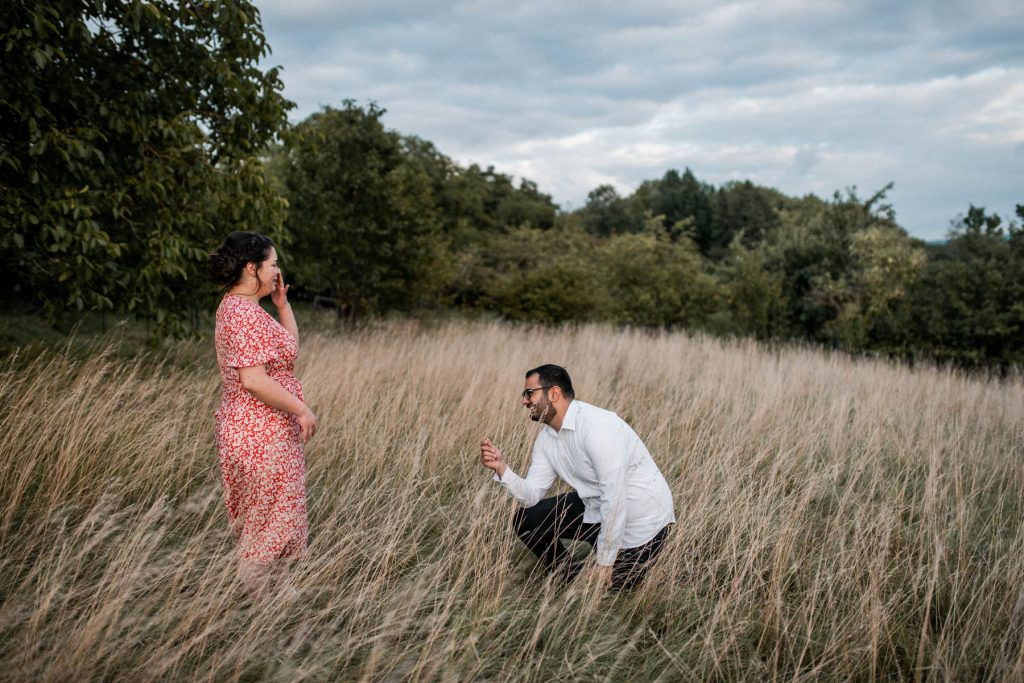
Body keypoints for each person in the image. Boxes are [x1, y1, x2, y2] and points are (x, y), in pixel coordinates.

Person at [480, 364, 675, 591]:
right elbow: (531, 496)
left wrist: (604, 563)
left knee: (614, 594)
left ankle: (608, 568)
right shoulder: (546, 439)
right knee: (526, 520)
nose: (524, 401)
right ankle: (568, 575)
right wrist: (502, 469)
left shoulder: (598, 427)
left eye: (529, 393)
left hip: (643, 523)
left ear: (554, 393)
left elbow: (616, 498)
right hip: (597, 507)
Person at [208, 231, 317, 594]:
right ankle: (261, 621)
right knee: (264, 534)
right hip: (258, 434)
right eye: (272, 263)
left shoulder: (248, 309)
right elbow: (253, 380)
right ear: (251, 268)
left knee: (276, 527)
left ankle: (278, 611)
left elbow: (288, 353)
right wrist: (301, 409)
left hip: (268, 430)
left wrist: (282, 305)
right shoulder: (240, 313)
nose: (277, 270)